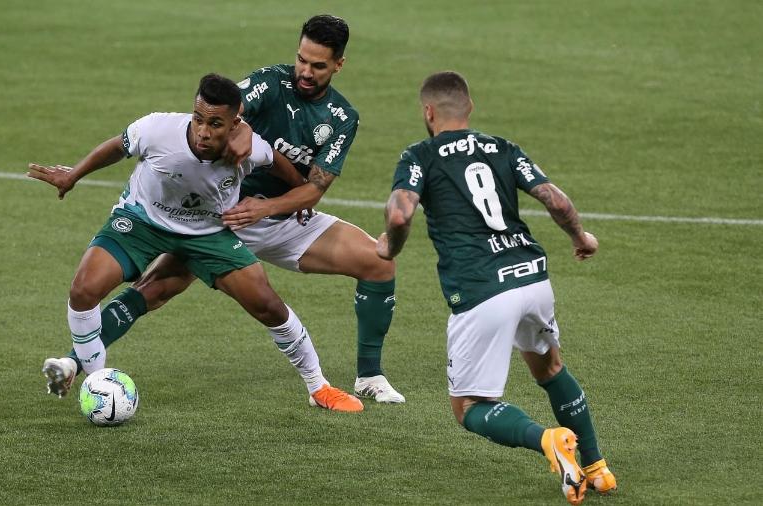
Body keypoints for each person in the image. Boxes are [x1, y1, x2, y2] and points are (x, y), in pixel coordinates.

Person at [43, 14, 405, 406]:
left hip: (277, 217)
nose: (305, 71)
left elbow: (313, 189)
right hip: (219, 218)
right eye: (302, 59)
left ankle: (369, 375)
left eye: (318, 65)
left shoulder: (341, 118)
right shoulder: (269, 82)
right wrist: (243, 129)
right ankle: (77, 365)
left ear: (338, 65)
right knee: (154, 290)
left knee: (378, 262)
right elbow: (225, 110)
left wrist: (269, 206)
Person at [375, 71, 616, 504]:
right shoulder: (502, 147)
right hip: (531, 276)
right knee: (550, 368)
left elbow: (398, 216)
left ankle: (548, 441)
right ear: (470, 108)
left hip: (482, 289)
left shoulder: (420, 155)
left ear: (428, 112)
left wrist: (388, 249)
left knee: (469, 407)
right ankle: (597, 468)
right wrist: (581, 238)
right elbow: (555, 199)